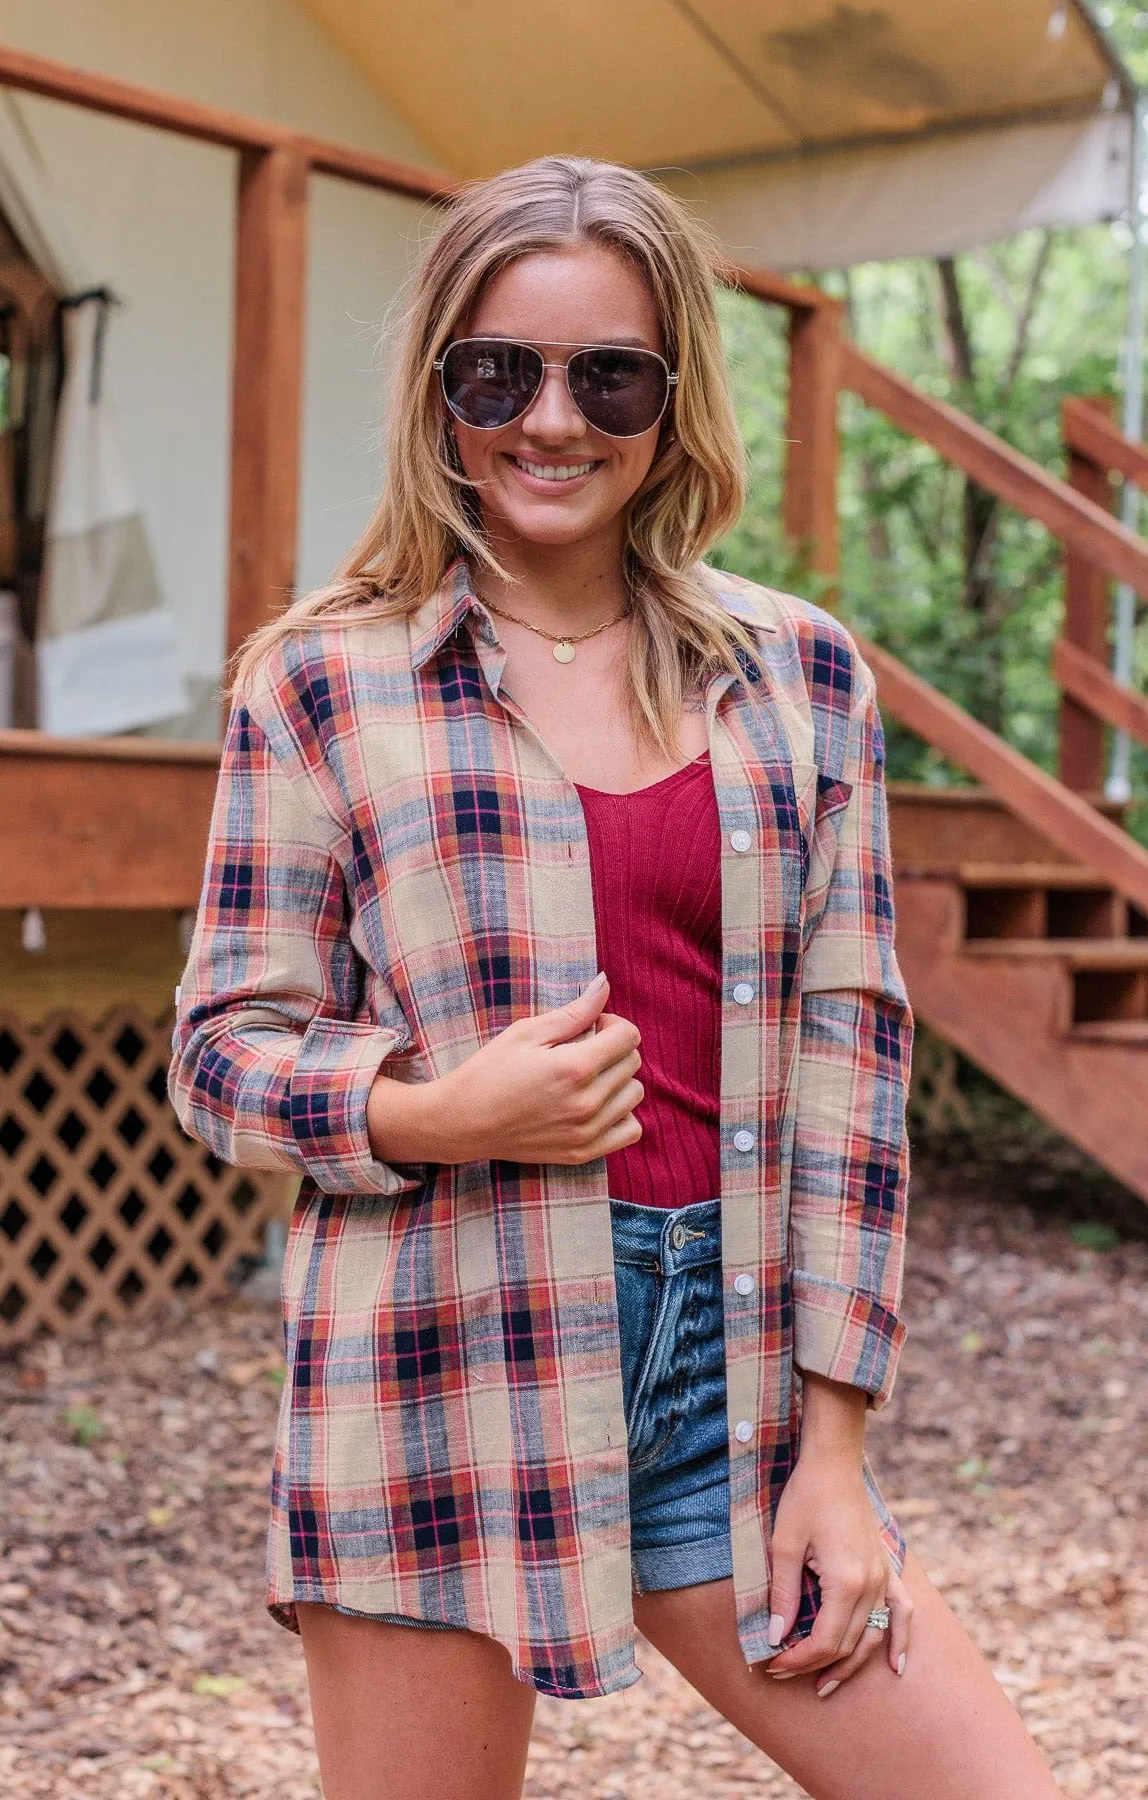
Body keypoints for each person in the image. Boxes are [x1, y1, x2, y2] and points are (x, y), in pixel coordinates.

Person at [169, 156, 1065, 1800]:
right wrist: (435, 1111)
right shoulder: (319, 682)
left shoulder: (799, 676)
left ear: (674, 399)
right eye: (497, 371)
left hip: (731, 1380)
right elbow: (224, 1047)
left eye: (610, 375)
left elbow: (852, 1070)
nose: (551, 420)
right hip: (444, 1355)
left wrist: (836, 1450)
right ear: (441, 386)